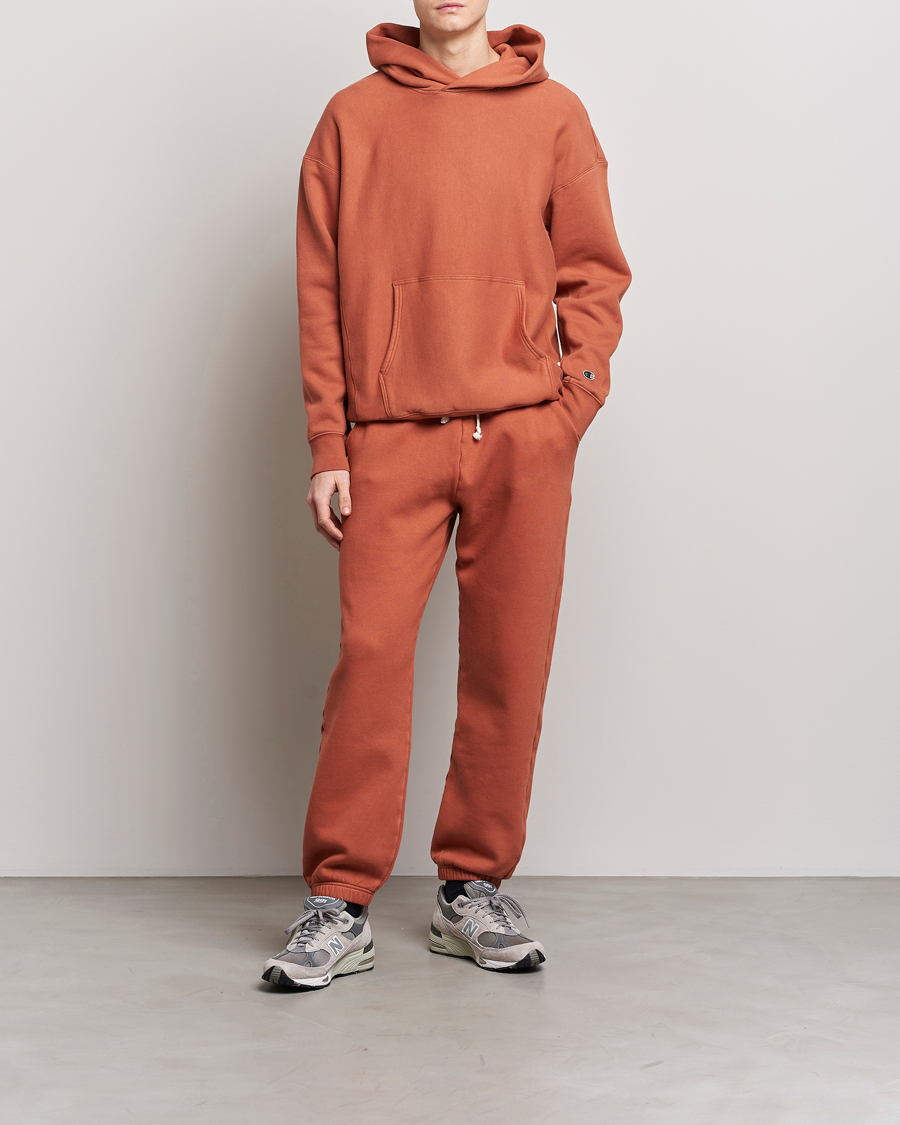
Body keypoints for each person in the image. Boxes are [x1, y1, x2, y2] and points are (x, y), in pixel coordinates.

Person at [262, 0, 631, 990]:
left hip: (521, 436)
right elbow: (318, 288)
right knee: (372, 660)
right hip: (390, 437)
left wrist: (569, 405)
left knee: (510, 661)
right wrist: (329, 443)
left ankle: (473, 887)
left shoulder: (555, 113)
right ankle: (340, 901)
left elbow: (595, 275)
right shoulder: (352, 117)